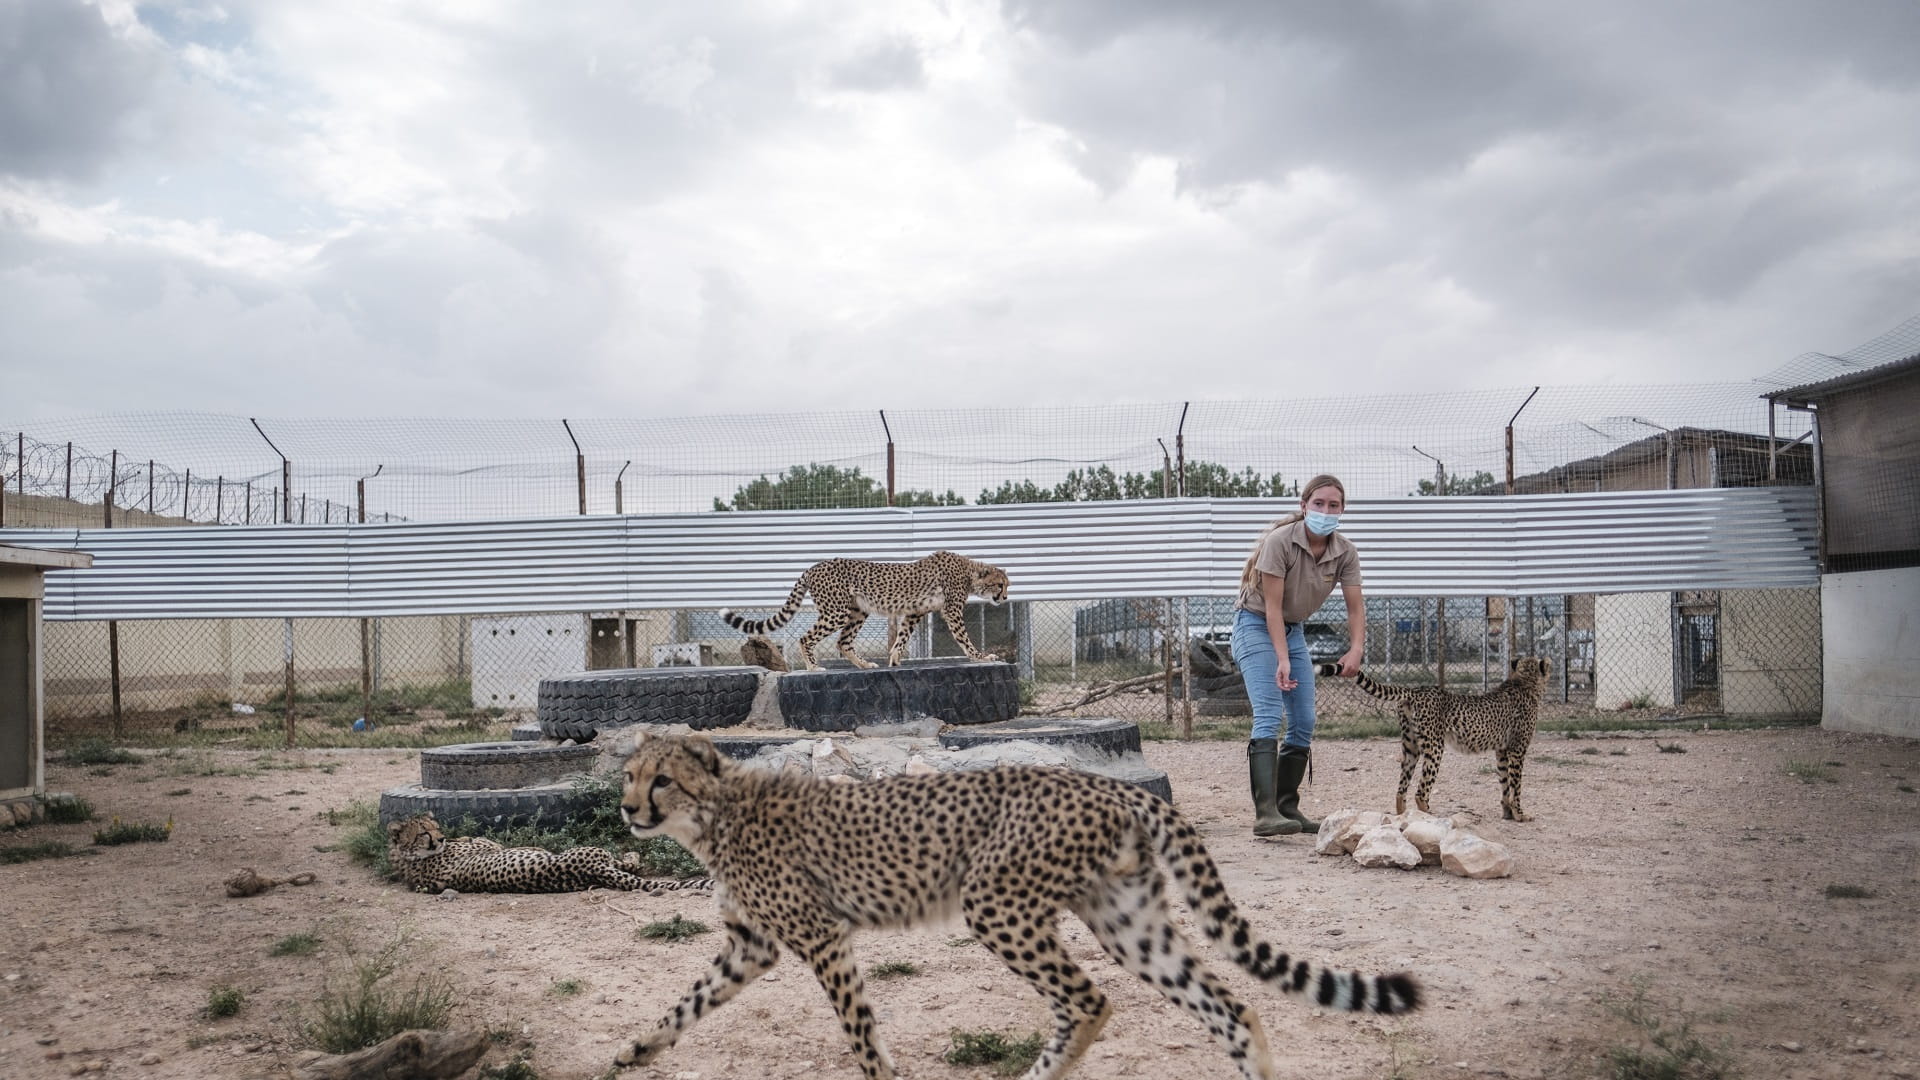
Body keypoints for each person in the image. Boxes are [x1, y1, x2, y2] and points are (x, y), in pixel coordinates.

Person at [1230, 474, 1365, 836]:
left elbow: (1354, 607)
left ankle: (1288, 807)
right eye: (1318, 503)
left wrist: (1356, 648)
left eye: (1333, 505)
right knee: (1271, 713)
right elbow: (1272, 608)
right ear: (1304, 505)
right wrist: (1283, 658)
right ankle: (1266, 813)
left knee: (1304, 719)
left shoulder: (1345, 552)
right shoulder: (1280, 542)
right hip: (1255, 624)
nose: (1325, 510)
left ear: (1342, 510)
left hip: (1293, 630)